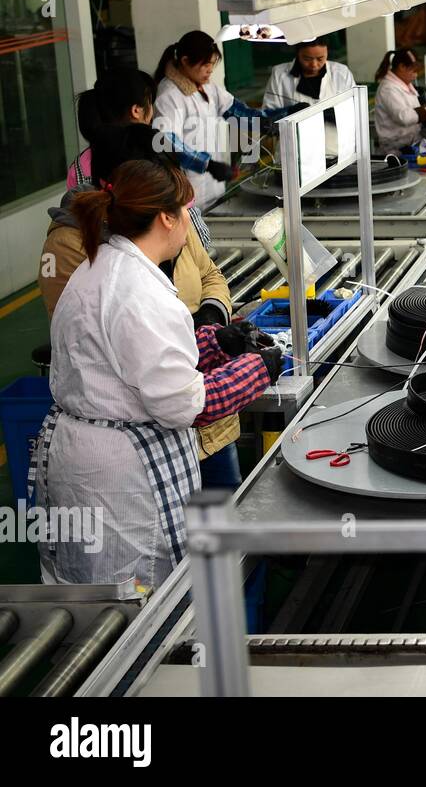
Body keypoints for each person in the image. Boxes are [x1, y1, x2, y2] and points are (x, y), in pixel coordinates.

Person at [32, 158, 283, 588]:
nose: (190, 219)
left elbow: (130, 363)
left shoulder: (102, 266)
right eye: (187, 210)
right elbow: (186, 405)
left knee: (95, 593)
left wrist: (216, 344)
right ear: (166, 217)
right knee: (136, 604)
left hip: (87, 453)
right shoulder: (140, 292)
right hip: (120, 477)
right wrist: (259, 368)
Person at [40, 123, 247, 490]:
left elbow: (209, 274)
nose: (189, 215)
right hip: (128, 456)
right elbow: (181, 402)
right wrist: (252, 372)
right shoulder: (126, 280)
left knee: (212, 528)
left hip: (176, 436)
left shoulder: (122, 256)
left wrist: (211, 331)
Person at [70, 69, 226, 251]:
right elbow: (194, 229)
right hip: (165, 265)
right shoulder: (154, 151)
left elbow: (82, 229)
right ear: (136, 110)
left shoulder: (80, 167)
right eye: (150, 104)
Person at [152, 30, 302, 212]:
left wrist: (279, 116)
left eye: (212, 64)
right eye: (206, 64)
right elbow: (166, 142)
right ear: (185, 61)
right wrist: (207, 164)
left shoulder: (207, 87)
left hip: (213, 190)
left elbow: (236, 112)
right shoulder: (169, 96)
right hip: (187, 193)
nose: (210, 70)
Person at [373, 48, 426, 154]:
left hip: (410, 144)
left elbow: (415, 111)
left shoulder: (404, 85)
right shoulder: (388, 89)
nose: (416, 75)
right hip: (395, 151)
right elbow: (404, 117)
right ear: (402, 67)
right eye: (413, 70)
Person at [262, 38, 358, 110]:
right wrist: (288, 112)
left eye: (320, 58)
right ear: (298, 53)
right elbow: (269, 110)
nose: (314, 65)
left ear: (327, 52)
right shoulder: (279, 74)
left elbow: (353, 107)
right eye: (307, 59)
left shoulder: (341, 73)